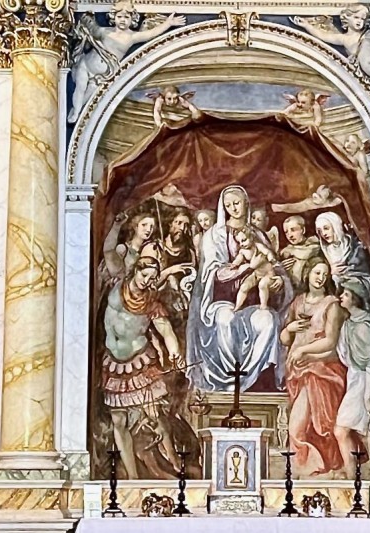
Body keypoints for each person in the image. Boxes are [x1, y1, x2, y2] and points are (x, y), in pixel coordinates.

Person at [186, 186, 293, 392]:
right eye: (228, 205)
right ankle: (227, 383)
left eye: (236, 203)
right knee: (225, 320)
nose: (233, 208)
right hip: (221, 300)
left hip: (254, 300)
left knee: (269, 320)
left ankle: (255, 382)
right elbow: (212, 273)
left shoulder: (258, 235)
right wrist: (244, 269)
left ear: (246, 203)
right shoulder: (214, 236)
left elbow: (272, 264)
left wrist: (278, 280)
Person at [101, 257, 183, 478]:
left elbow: (166, 331)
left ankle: (174, 460)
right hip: (113, 365)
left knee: (154, 414)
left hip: (140, 362)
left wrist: (174, 352)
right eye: (145, 275)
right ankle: (132, 476)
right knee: (118, 420)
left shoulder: (151, 303)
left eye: (152, 278)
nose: (147, 281)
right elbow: (111, 252)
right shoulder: (116, 285)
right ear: (135, 271)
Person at [281, 256, 348, 477]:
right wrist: (290, 328)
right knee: (304, 428)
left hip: (321, 371)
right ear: (308, 273)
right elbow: (284, 339)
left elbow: (330, 341)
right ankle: (306, 474)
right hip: (298, 372)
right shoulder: (298, 302)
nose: (320, 278)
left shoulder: (332, 304)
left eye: (324, 275)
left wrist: (304, 351)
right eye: (317, 273)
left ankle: (311, 473)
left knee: (307, 428)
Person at [68, 3, 186, 122]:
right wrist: (87, 20)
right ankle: (76, 112)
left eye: (126, 17)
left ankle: (77, 111)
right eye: (119, 17)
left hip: (102, 76)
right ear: (113, 17)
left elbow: (151, 33)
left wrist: (168, 23)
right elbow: (90, 28)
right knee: (80, 89)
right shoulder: (104, 31)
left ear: (132, 19)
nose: (123, 20)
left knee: (87, 99)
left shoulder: (132, 37)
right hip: (85, 64)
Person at [292, 5, 370, 128]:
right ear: (346, 18)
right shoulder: (344, 39)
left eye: (363, 19)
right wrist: (307, 25)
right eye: (356, 17)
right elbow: (324, 36)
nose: (360, 21)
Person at [334, 281, 370, 479]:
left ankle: (360, 474)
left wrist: (368, 392)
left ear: (355, 299)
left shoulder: (365, 326)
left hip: (364, 381)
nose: (341, 297)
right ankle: (353, 475)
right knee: (354, 430)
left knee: (345, 429)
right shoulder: (349, 324)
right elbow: (343, 353)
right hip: (354, 378)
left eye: (346, 294)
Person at [314, 212, 370, 308]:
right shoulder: (322, 252)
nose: (323, 234)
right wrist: (331, 273)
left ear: (336, 226)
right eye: (320, 231)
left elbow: (365, 275)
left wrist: (347, 278)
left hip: (356, 297)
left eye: (326, 228)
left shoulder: (355, 247)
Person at [229, 227, 281, 312]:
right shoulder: (243, 251)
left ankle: (263, 306)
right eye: (239, 242)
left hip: (268, 273)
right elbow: (239, 258)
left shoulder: (258, 246)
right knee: (244, 287)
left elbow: (267, 252)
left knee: (262, 285)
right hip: (256, 274)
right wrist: (235, 264)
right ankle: (237, 306)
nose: (241, 244)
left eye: (244, 240)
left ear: (251, 237)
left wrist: (271, 258)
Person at [102, 210, 157, 281]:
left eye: (151, 226)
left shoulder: (147, 252)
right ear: (136, 227)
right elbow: (109, 254)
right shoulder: (123, 249)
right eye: (144, 225)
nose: (148, 230)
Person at [279, 216, 321, 290]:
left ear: (303, 230)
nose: (290, 235)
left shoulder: (313, 245)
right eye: (286, 232)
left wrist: (291, 251)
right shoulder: (287, 249)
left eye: (293, 230)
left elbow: (305, 254)